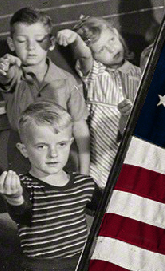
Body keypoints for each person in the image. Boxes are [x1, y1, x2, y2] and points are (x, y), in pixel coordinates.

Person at [0, 103, 104, 271]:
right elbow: (22, 213)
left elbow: (108, 210)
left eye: (61, 144)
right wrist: (14, 197)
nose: (53, 154)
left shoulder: (84, 184)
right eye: (41, 146)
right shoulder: (25, 186)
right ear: (24, 150)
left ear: (70, 143)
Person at [0, 7, 90, 177]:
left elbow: (80, 127)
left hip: (62, 165)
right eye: (22, 41)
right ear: (11, 44)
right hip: (22, 164)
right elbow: (3, 75)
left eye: (39, 40)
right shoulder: (15, 76)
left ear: (51, 43)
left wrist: (85, 172)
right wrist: (3, 65)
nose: (31, 47)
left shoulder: (67, 80)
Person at [58, 15, 143, 185]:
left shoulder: (138, 72)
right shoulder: (95, 74)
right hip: (104, 159)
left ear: (116, 33)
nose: (112, 49)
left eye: (111, 40)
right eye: (102, 49)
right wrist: (75, 39)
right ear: (93, 56)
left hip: (135, 154)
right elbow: (84, 55)